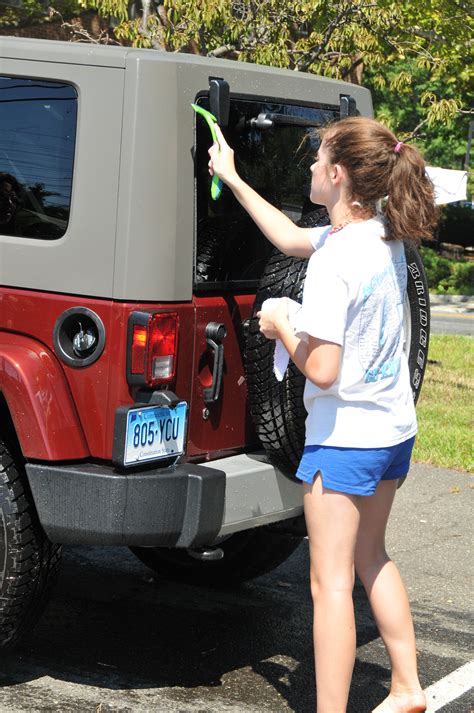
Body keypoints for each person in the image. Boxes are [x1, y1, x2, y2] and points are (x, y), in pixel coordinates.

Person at [208, 116, 437, 713]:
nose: (309, 167)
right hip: (393, 432)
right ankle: (408, 686)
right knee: (372, 556)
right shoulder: (381, 233)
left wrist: (282, 322)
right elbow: (288, 237)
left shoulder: (335, 264)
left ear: (336, 176)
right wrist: (231, 176)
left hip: (345, 442)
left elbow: (325, 368)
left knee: (329, 583)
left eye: (317, 160)